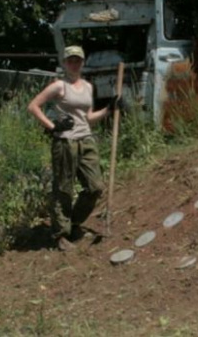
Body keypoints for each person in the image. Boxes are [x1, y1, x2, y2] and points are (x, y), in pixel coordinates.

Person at [28, 45, 116, 251]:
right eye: (70, 60)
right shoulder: (59, 86)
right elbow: (33, 106)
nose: (74, 64)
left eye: (78, 60)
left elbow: (88, 117)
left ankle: (74, 222)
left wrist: (109, 109)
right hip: (64, 141)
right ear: (64, 63)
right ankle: (60, 234)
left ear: (83, 62)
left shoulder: (87, 86)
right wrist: (52, 126)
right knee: (63, 188)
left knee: (95, 187)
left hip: (86, 140)